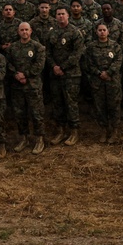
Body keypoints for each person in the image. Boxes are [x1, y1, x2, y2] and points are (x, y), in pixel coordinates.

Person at [46, 8, 85, 146]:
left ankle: (74, 132)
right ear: (55, 16)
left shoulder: (75, 32)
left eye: (63, 14)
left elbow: (77, 53)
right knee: (57, 103)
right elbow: (48, 53)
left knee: (71, 103)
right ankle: (60, 131)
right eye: (58, 14)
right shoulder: (52, 32)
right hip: (55, 74)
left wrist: (62, 67)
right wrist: (54, 67)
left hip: (71, 74)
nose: (61, 16)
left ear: (68, 16)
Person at [7, 22, 46, 154]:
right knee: (19, 114)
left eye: (26, 30)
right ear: (18, 32)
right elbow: (8, 63)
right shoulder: (13, 47)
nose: (24, 32)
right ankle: (23, 138)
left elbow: (39, 65)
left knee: (36, 113)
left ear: (31, 31)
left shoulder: (37, 47)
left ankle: (39, 139)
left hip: (33, 86)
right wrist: (16, 74)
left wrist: (26, 75)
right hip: (17, 86)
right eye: (22, 30)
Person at [84, 22, 123, 144]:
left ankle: (114, 130)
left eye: (104, 30)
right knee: (100, 107)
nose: (102, 32)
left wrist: (109, 73)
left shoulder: (115, 46)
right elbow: (88, 63)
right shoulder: (91, 47)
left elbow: (118, 61)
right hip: (98, 82)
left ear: (108, 32)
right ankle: (103, 130)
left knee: (114, 106)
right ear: (96, 32)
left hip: (112, 81)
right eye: (99, 30)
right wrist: (98, 73)